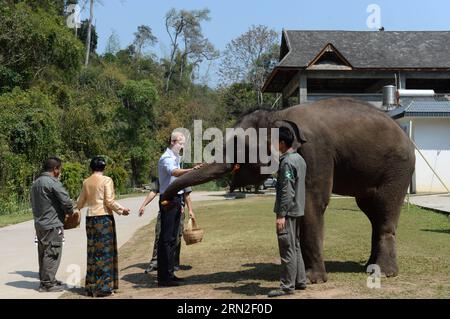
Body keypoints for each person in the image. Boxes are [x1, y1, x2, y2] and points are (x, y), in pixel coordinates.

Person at [76, 156, 131, 297]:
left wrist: (71, 211)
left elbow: (80, 203)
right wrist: (122, 210)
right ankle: (104, 288)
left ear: (91, 167)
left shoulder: (86, 182)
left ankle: (91, 287)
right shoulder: (107, 180)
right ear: (104, 167)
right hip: (104, 219)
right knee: (105, 253)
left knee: (93, 251)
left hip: (90, 219)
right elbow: (109, 201)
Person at [157, 132, 202, 287]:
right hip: (168, 199)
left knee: (172, 239)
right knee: (167, 239)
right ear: (173, 141)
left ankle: (170, 274)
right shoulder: (166, 158)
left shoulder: (176, 158)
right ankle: (164, 278)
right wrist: (192, 170)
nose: (183, 147)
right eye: (181, 144)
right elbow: (174, 173)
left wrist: (182, 203)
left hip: (175, 199)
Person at [268, 127, 308, 297]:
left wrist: (281, 215)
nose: (272, 144)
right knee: (296, 246)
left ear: (282, 143)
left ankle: (287, 286)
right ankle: (300, 281)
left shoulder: (287, 162)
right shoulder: (299, 158)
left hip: (289, 212)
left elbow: (287, 191)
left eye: (275, 141)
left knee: (287, 248)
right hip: (297, 210)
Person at [31, 157, 75, 292]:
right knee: (52, 252)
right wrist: (70, 212)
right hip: (52, 224)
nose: (60, 172)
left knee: (44, 252)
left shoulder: (35, 183)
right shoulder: (53, 182)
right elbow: (66, 201)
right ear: (55, 169)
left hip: (40, 224)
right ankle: (47, 284)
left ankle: (47, 279)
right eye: (59, 169)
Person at [138, 180, 195, 274]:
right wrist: (143, 205)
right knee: (159, 236)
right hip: (164, 211)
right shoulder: (163, 174)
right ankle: (155, 262)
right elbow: (153, 191)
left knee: (176, 237)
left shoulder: (183, 176)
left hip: (178, 212)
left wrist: (190, 210)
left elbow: (186, 195)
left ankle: (174, 263)